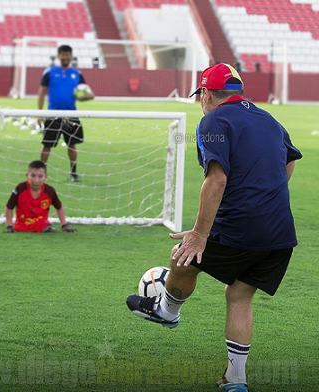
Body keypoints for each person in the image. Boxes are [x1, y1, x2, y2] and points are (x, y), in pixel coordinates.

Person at [126, 63, 302, 392]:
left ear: (207, 93)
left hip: (242, 227)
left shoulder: (214, 121)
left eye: (200, 95)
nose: (200, 102)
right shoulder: (269, 120)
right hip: (280, 234)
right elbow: (289, 160)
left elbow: (216, 179)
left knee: (182, 257)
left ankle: (166, 311)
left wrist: (199, 234)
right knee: (238, 295)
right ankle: (236, 380)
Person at [38, 44, 95, 182]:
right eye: (62, 54)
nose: (65, 57)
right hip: (53, 114)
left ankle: (73, 173)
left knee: (72, 144)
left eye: (67, 54)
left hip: (71, 115)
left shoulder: (77, 74)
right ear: (59, 56)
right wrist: (39, 113)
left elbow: (90, 94)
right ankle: (42, 172)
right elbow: (41, 93)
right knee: (47, 145)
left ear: (71, 56)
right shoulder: (49, 72)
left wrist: (83, 97)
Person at [5, 160, 77, 233]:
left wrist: (64, 225)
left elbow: (59, 207)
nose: (36, 180)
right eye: (33, 176)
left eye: (40, 176)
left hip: (44, 229)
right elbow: (9, 207)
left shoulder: (50, 191)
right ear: (27, 175)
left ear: (45, 177)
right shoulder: (20, 188)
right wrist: (9, 226)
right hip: (21, 229)